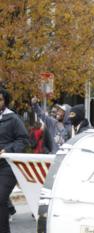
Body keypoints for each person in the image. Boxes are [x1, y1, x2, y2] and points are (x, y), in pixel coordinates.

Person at [0, 88, 29, 233]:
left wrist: (7, 150)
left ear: (5, 101)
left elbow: (23, 140)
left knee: (0, 198)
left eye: (0, 99)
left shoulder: (13, 118)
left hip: (7, 166)